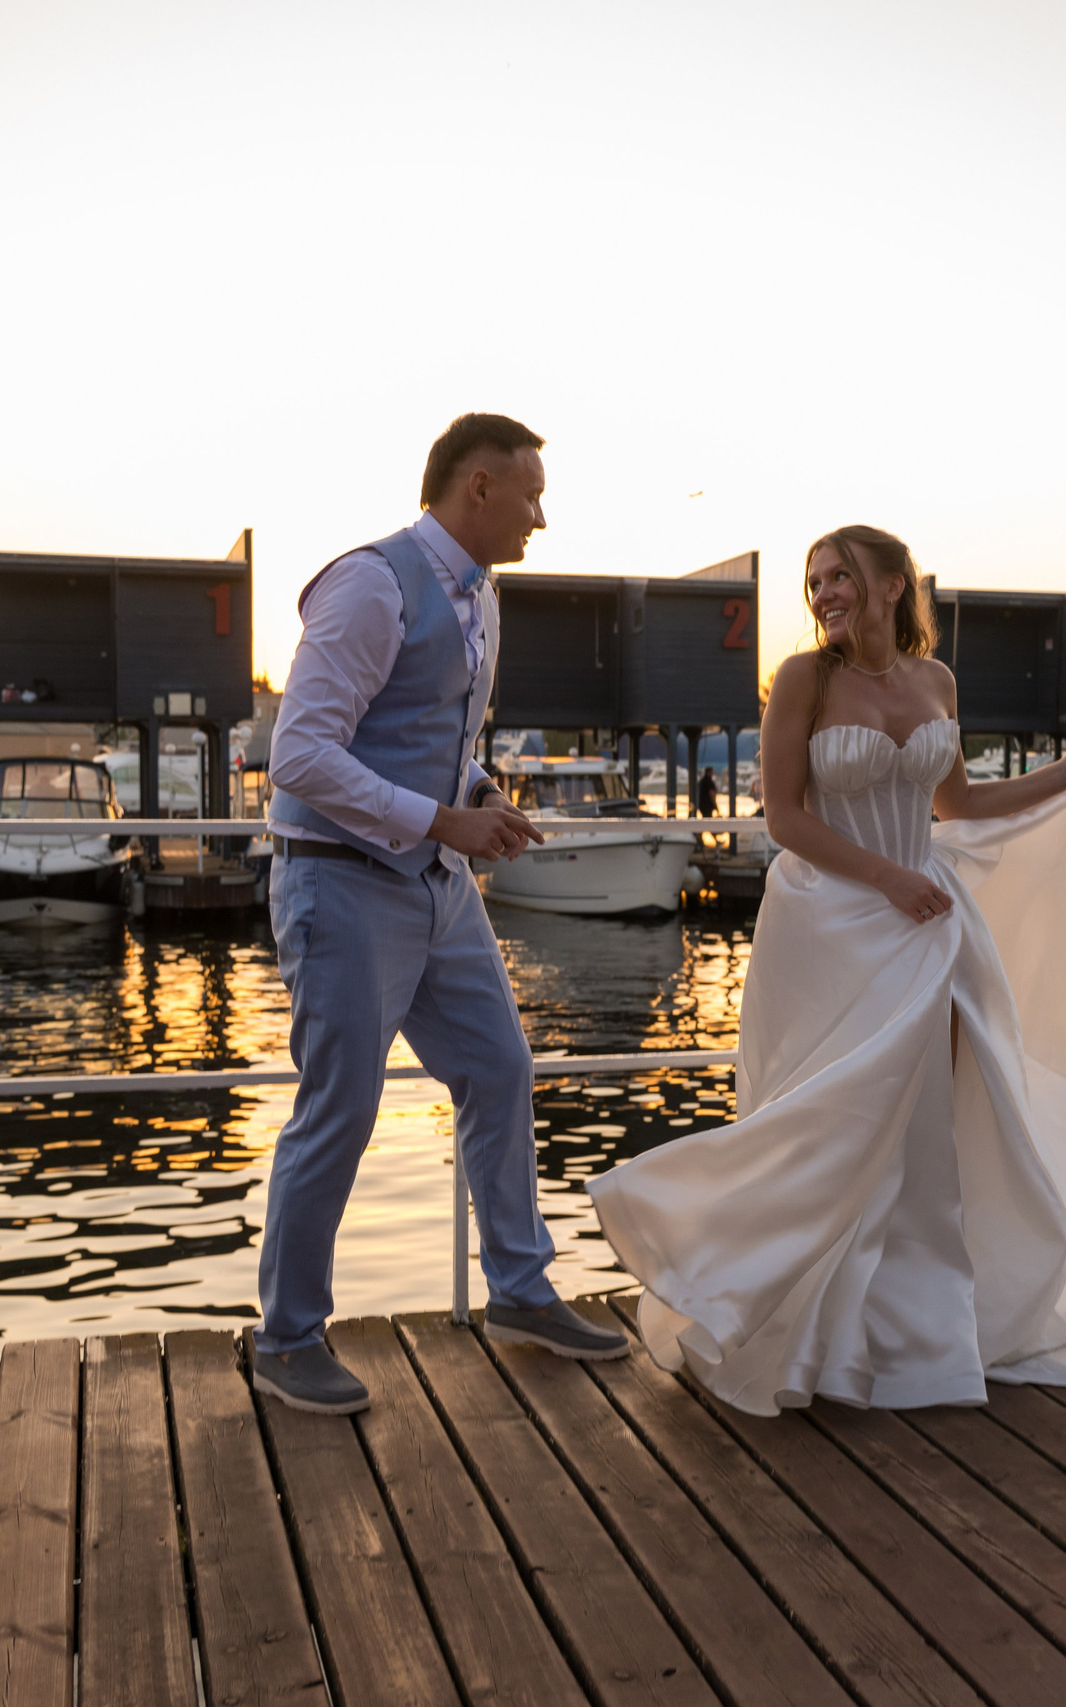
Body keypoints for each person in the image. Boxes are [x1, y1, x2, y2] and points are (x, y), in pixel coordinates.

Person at [587, 526, 1066, 1428]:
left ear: (891, 584)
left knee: (935, 1123)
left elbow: (959, 804)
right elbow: (785, 816)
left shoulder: (936, 683)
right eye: (813, 580)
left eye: (840, 576)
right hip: (831, 923)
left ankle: (916, 1339)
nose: (823, 592)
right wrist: (889, 877)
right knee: (836, 1119)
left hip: (931, 920)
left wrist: (1062, 776)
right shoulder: (804, 680)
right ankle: (777, 1304)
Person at [255, 413, 630, 1416]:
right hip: (339, 880)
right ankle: (286, 1338)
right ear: (477, 489)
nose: (541, 517)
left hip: (433, 880)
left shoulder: (481, 598)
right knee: (341, 1106)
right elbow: (297, 755)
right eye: (532, 495)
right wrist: (438, 822)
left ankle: (519, 1290)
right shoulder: (370, 585)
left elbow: (425, 731)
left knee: (500, 1069)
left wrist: (474, 795)